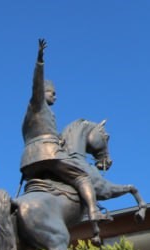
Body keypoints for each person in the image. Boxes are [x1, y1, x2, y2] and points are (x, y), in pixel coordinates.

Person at [20, 38, 104, 221]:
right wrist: (40, 60)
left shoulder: (35, 117)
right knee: (81, 176)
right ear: (43, 92)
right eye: (53, 93)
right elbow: (37, 83)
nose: (55, 97)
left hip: (28, 163)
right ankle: (94, 211)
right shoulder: (37, 104)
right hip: (46, 155)